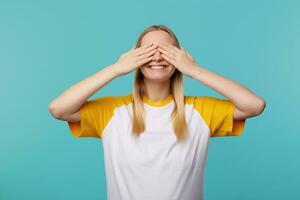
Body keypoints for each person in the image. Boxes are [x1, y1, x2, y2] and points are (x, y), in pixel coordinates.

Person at [49, 24, 266, 200]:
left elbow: (254, 105)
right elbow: (58, 108)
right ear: (135, 57)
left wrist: (194, 70)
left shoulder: (200, 111)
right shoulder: (112, 111)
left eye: (166, 51)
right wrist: (116, 69)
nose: (157, 57)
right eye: (148, 51)